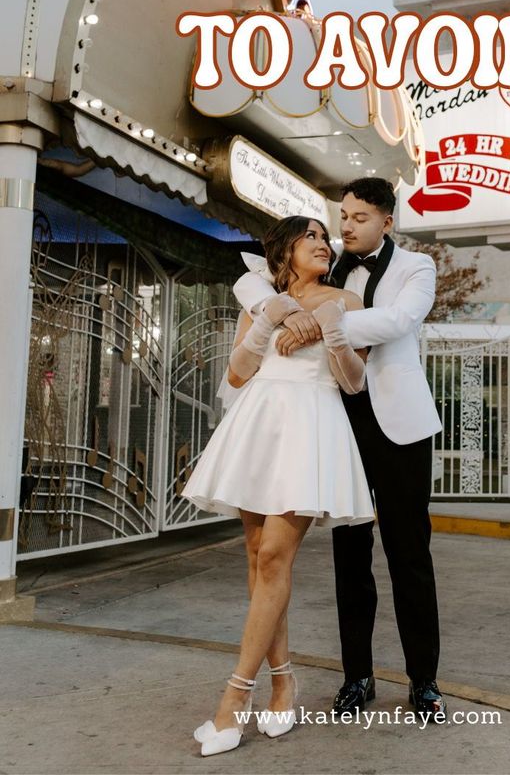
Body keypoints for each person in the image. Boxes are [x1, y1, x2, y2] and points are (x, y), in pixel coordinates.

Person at [234, 177, 447, 722]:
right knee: (349, 558)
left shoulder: (415, 267)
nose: (345, 226)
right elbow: (254, 286)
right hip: (338, 421)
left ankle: (424, 681)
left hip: (399, 425)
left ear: (386, 221)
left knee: (409, 555)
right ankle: (358, 677)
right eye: (342, 216)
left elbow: (399, 321)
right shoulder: (324, 266)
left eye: (357, 217)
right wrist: (292, 310)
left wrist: (319, 322)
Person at [182, 215, 374, 757]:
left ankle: (233, 700)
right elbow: (238, 374)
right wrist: (269, 320)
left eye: (324, 238)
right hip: (260, 422)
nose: (322, 244)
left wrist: (330, 330)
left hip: (312, 425)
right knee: (255, 556)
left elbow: (355, 382)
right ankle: (284, 682)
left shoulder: (346, 300)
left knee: (273, 559)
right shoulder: (262, 299)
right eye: (309, 236)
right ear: (285, 249)